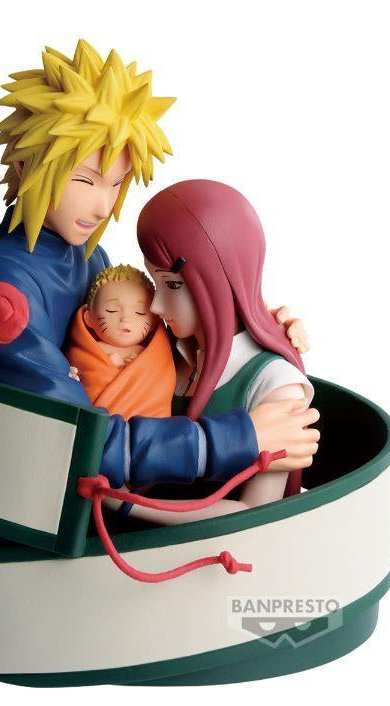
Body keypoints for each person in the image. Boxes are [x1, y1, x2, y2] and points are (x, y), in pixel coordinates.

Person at [0, 40, 319, 491]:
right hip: (28, 500)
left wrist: (245, 322)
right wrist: (239, 438)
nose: (103, 207)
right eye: (84, 180)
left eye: (116, 184)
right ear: (23, 165)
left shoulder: (88, 258)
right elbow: (75, 444)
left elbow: (146, 339)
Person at [126, 179, 319, 523]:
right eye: (155, 283)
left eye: (172, 284)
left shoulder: (275, 385)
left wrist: (125, 503)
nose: (155, 305)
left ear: (220, 279)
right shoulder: (161, 345)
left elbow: (253, 514)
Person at [64, 265, 175, 420]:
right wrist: (107, 364)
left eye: (139, 312)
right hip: (93, 423)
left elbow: (158, 386)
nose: (125, 319)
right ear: (89, 318)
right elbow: (75, 385)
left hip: (142, 428)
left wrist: (137, 366)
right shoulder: (83, 352)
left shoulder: (154, 357)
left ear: (153, 323)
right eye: (112, 310)